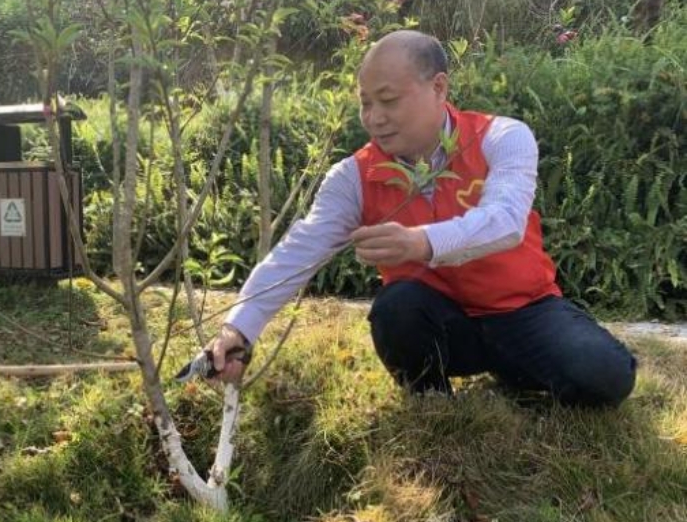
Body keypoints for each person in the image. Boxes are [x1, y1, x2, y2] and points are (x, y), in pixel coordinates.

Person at [209, 30, 636, 407]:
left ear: (439, 87)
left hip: (525, 311)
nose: (374, 118)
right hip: (437, 322)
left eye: (388, 100)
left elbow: (506, 221)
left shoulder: (502, 137)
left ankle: (518, 374)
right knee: (396, 307)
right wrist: (237, 330)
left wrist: (419, 243)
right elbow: (297, 253)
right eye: (365, 103)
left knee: (606, 374)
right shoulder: (353, 176)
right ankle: (431, 401)